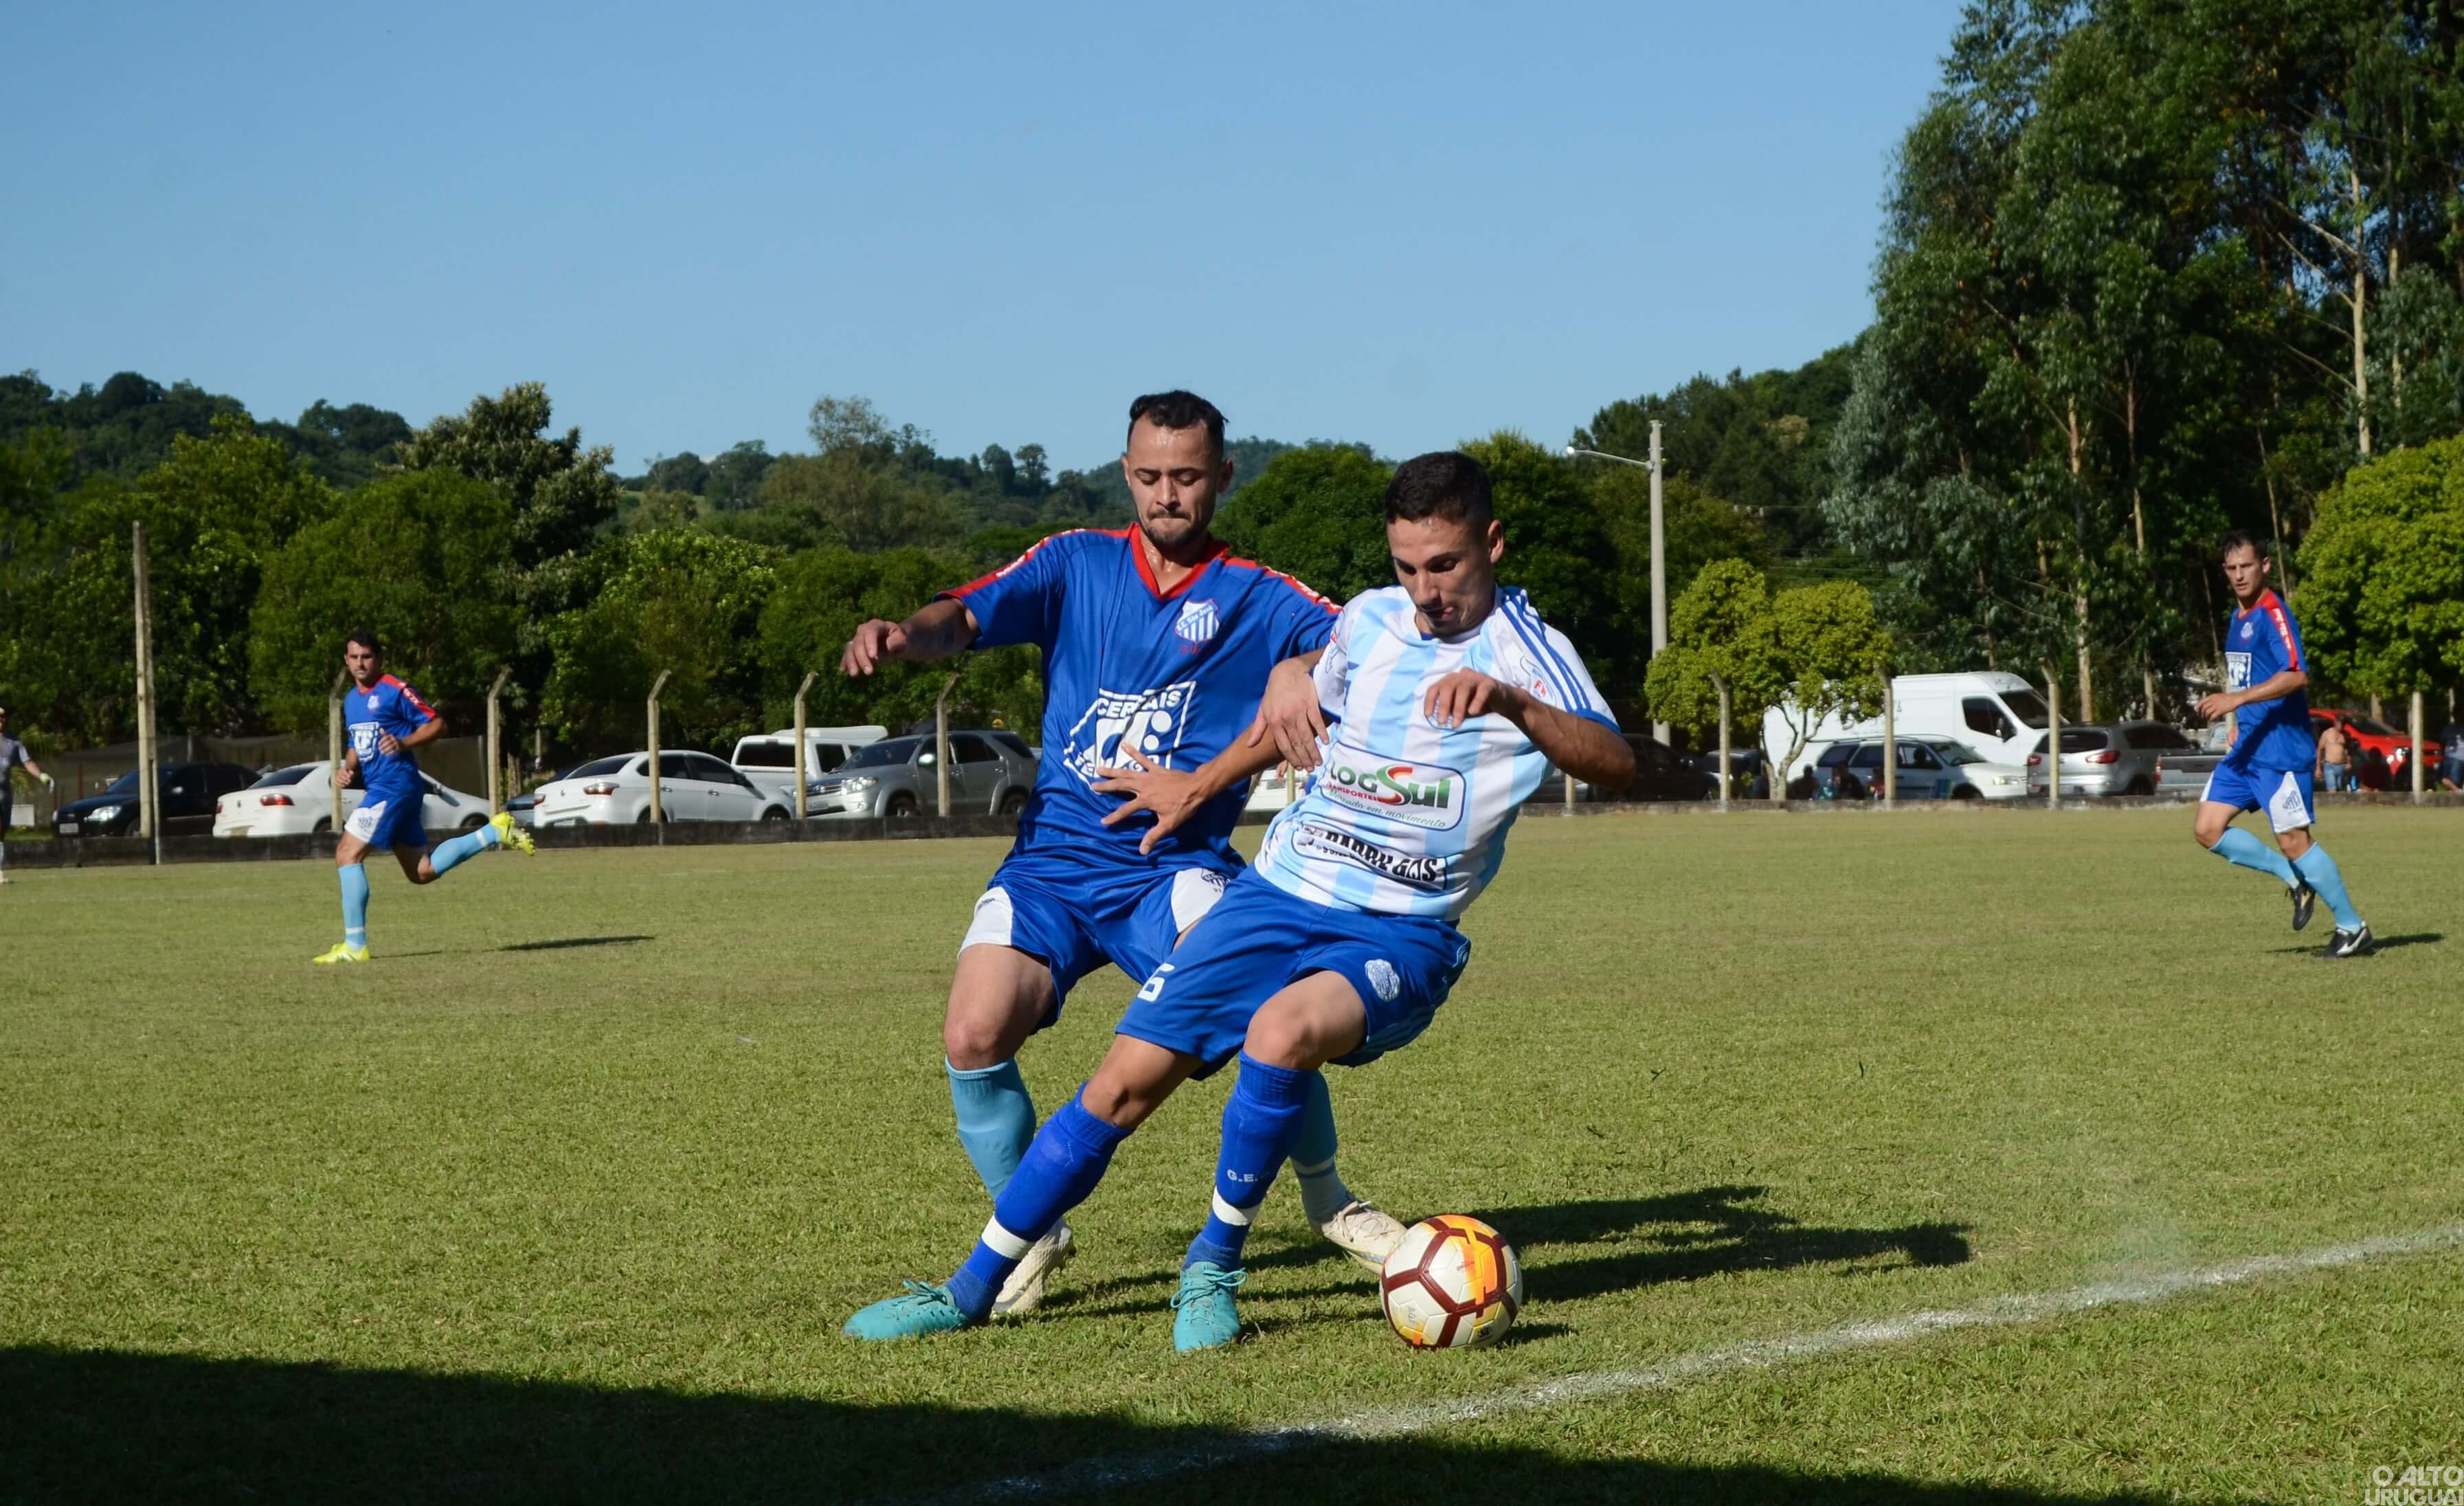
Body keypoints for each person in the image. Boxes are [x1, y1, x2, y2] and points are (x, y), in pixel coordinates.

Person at [844, 449, 1635, 1348]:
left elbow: (1613, 759)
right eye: (1407, 567)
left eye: (1445, 565)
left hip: (1400, 931)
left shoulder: (1529, 651)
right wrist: (1266, 703)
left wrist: (1513, 705)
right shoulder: (1374, 622)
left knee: (1279, 1031)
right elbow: (1289, 719)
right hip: (1274, 895)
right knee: (1118, 1086)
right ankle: (969, 1289)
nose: (1425, 591)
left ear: (1492, 544)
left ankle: (1212, 1263)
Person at [836, 390, 1401, 1316]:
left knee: (1269, 1011)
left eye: (1186, 477)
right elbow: (967, 614)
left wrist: (1299, 667)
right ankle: (1034, 1232)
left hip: (1172, 866)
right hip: (1052, 865)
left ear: (1221, 477)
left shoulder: (1260, 596)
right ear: (1125, 472)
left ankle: (1328, 1196)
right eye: (1148, 476)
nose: (1166, 495)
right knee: (972, 1034)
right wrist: (905, 637)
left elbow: (1360, 648)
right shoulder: (1072, 564)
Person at [2191, 533, 2369, 958]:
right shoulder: (2238, 617)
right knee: (2207, 829)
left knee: (2294, 840)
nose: (2238, 575)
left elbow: (2296, 675)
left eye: (2246, 567)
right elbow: (2249, 676)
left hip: (2281, 754)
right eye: (2231, 569)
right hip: (2247, 748)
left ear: (2265, 566)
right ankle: (2294, 880)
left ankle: (2352, 927)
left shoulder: (2274, 615)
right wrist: (2238, 721)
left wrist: (2235, 701)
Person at [313, 631, 532, 963]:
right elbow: (358, 742)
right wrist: (348, 769)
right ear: (346, 660)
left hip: (394, 786)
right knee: (422, 872)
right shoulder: (351, 701)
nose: (360, 663)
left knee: (347, 854)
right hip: (386, 788)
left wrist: (404, 742)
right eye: (354, 657)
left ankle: (355, 946)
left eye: (367, 656)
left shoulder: (395, 690)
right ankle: (493, 832)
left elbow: (437, 724)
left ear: (379, 658)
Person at [0, 706, 57, 886]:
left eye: (3, 716)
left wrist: (42, 775)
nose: (0, 719)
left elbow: (28, 762)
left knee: (1, 833)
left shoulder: (14, 742)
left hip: (4, 793)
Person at [2316, 718, 2349, 794]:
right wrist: (2318, 767)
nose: (2341, 726)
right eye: (2339, 724)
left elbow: (2349, 750)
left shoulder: (2345, 735)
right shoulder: (2327, 733)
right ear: (2335, 723)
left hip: (2341, 765)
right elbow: (2319, 749)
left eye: (2343, 725)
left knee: (2340, 789)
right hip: (2329, 765)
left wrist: (2349, 762)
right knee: (2332, 790)